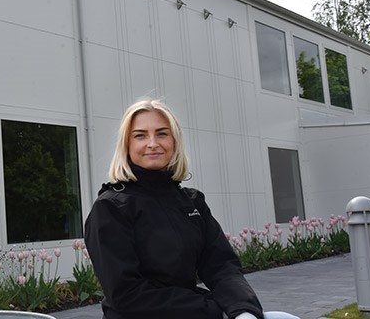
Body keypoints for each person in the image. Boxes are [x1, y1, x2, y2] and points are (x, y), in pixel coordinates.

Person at [84, 99, 299, 319]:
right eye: (140, 135)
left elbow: (221, 266)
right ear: (126, 145)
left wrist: (243, 310)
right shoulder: (110, 208)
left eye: (162, 133)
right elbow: (127, 295)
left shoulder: (192, 202)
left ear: (174, 142)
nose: (152, 143)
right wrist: (215, 310)